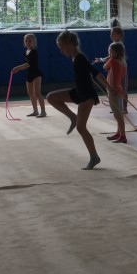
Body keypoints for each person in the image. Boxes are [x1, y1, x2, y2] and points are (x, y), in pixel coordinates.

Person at [46, 30, 109, 170]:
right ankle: (72, 117)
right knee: (51, 97)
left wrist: (109, 88)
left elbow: (95, 73)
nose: (61, 51)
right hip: (79, 92)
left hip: (86, 96)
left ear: (70, 44)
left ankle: (94, 157)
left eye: (62, 48)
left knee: (81, 127)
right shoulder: (75, 57)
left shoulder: (80, 58)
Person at [10, 33, 47, 117]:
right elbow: (25, 65)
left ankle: (43, 111)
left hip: (36, 74)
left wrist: (18, 68)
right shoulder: (25, 53)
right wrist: (18, 70)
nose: (28, 42)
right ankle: (35, 111)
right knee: (30, 93)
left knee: (37, 92)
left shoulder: (34, 52)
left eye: (30, 41)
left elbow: (29, 64)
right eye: (26, 41)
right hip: (29, 74)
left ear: (34, 42)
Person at [94, 23, 127, 113]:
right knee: (115, 86)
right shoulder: (113, 45)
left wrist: (102, 60)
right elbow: (110, 57)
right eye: (111, 33)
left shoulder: (119, 45)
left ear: (119, 35)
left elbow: (111, 58)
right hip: (116, 68)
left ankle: (124, 108)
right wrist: (103, 61)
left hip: (121, 68)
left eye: (113, 34)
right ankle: (117, 106)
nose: (111, 35)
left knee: (122, 87)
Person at [103, 41, 128, 144]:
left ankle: (123, 136)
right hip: (119, 89)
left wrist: (108, 59)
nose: (110, 54)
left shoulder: (113, 61)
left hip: (113, 91)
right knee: (119, 114)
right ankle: (119, 133)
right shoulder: (123, 62)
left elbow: (105, 67)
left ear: (117, 53)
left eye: (111, 52)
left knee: (117, 115)